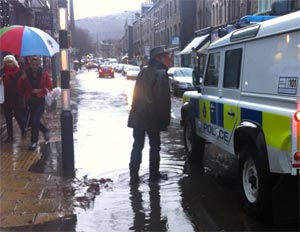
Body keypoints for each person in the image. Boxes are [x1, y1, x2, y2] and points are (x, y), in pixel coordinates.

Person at [127, 46, 172, 184]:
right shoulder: (161, 74)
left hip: (138, 116)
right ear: (158, 58)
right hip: (153, 117)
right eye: (165, 56)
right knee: (154, 146)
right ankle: (154, 175)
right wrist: (165, 120)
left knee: (137, 146)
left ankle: (133, 177)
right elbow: (162, 100)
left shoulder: (143, 72)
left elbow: (135, 95)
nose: (167, 58)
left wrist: (134, 113)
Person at [24, 56, 52, 150]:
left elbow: (49, 87)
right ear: (30, 65)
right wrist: (22, 79)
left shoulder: (44, 74)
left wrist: (40, 90)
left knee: (35, 120)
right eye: (33, 65)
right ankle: (45, 130)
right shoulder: (26, 74)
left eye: (36, 65)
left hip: (40, 101)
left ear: (39, 64)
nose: (35, 66)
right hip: (30, 101)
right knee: (32, 122)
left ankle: (34, 142)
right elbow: (20, 87)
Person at [0, 55, 28, 143]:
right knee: (8, 118)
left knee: (18, 115)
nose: (8, 64)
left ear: (14, 62)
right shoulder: (2, 72)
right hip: (6, 97)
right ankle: (10, 136)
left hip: (17, 97)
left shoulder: (20, 72)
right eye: (7, 62)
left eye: (10, 61)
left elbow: (25, 85)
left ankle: (23, 129)